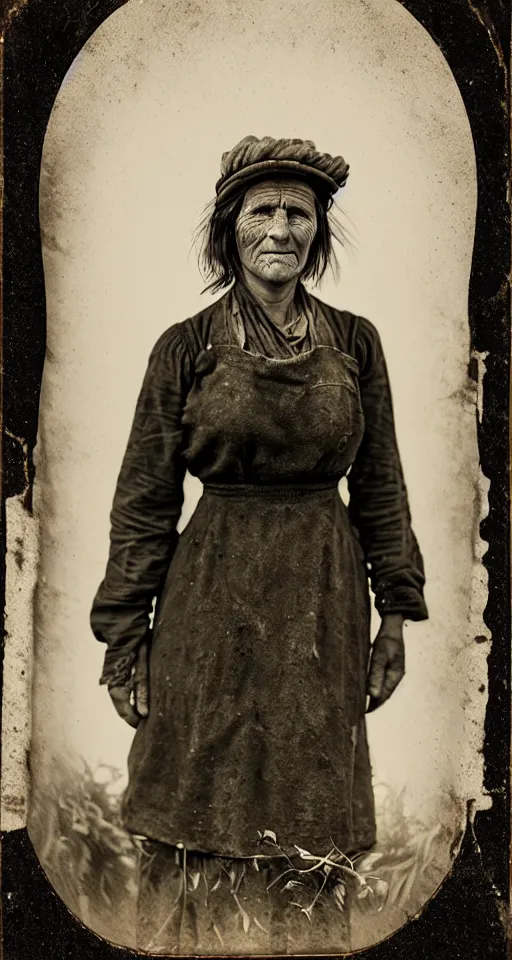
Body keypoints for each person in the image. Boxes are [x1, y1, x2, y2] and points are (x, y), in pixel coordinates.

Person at [90, 135, 428, 954]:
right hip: (210, 594)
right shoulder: (186, 346)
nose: (280, 228)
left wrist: (395, 617)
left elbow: (381, 482)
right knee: (193, 784)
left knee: (311, 796)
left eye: (299, 213)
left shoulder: (355, 342)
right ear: (229, 227)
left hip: (322, 595)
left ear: (319, 231)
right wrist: (123, 635)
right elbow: (143, 499)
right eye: (262, 211)